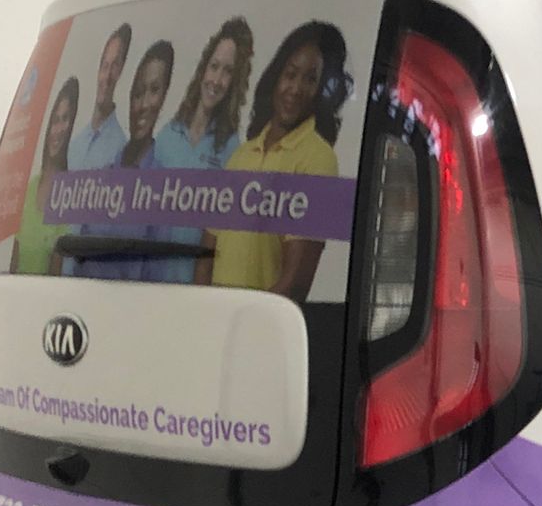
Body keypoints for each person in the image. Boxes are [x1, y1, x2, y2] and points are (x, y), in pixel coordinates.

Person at [199, 21, 346, 300]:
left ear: (321, 90)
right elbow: (206, 256)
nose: (296, 88)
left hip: (260, 335)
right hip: (214, 329)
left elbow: (295, 284)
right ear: (276, 77)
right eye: (290, 74)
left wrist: (244, 327)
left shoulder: (320, 160)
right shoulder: (241, 155)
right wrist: (207, 318)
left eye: (311, 79)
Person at [153, 18, 253, 282]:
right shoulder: (167, 135)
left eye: (228, 72)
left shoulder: (233, 151)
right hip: (148, 287)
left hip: (196, 294)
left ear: (235, 82)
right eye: (214, 67)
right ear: (203, 69)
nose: (217, 80)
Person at [71, 40, 175, 281]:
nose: (144, 105)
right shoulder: (103, 177)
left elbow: (157, 282)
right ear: (129, 97)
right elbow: (78, 261)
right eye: (138, 93)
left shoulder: (163, 189)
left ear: (164, 97)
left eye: (154, 90)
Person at [10, 77, 78, 275]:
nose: (59, 129)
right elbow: (12, 267)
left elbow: (56, 276)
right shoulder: (29, 190)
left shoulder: (69, 195)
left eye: (66, 119)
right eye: (55, 120)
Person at [67, 23, 132, 170]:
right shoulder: (74, 145)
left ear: (121, 71)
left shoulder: (120, 149)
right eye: (105, 65)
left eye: (114, 66)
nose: (107, 77)